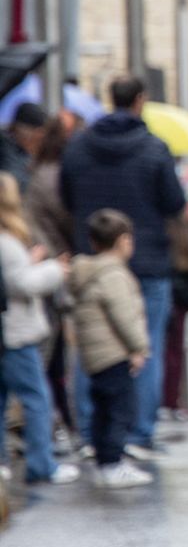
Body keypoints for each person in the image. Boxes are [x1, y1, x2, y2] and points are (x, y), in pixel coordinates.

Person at [59, 74, 187, 461]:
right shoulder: (154, 149)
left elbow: (67, 197)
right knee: (143, 347)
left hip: (91, 258)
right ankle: (139, 432)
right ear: (141, 101)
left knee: (91, 346)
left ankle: (89, 431)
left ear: (109, 99)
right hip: (146, 260)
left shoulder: (79, 147)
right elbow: (174, 202)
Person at [0, 172, 79, 485]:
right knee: (37, 397)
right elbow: (21, 284)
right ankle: (42, 464)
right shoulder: (6, 241)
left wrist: (30, 261)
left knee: (2, 399)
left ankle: (3, 461)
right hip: (15, 332)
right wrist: (54, 270)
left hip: (6, 331)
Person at [70, 209, 152, 489]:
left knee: (102, 411)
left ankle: (104, 461)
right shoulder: (113, 274)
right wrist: (139, 347)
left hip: (95, 356)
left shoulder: (86, 271)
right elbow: (124, 316)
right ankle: (113, 463)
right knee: (120, 411)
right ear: (122, 241)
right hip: (114, 353)